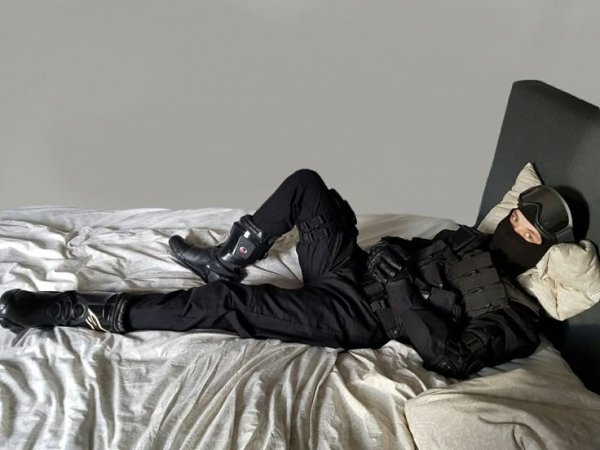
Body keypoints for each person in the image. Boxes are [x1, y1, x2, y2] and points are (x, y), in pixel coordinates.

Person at [0, 168, 575, 379]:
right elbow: (415, 253)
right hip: (350, 271)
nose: (515, 231)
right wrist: (387, 251)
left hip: (358, 316)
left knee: (231, 305)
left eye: (529, 234)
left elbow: (447, 358)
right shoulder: (463, 237)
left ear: (545, 251)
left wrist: (400, 284)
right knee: (307, 187)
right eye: (516, 219)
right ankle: (226, 257)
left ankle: (85, 310)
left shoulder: (516, 316)